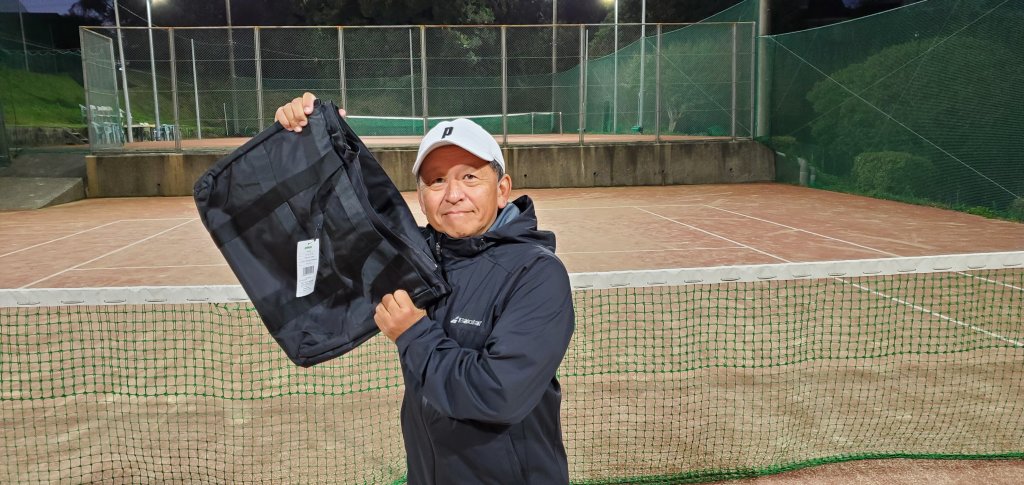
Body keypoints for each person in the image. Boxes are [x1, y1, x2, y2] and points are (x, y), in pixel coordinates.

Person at [276, 93, 575, 484]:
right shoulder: (417, 259)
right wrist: (307, 141)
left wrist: (413, 334)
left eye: (470, 177)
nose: (453, 194)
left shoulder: (537, 273)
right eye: (437, 181)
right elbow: (336, 234)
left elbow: (498, 394)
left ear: (502, 190)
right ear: (420, 196)